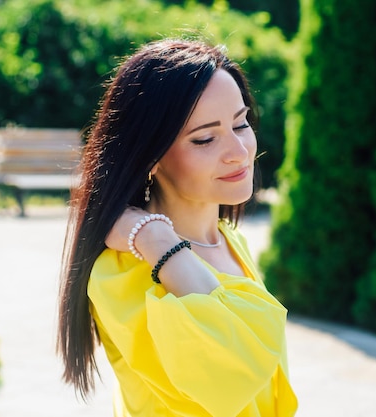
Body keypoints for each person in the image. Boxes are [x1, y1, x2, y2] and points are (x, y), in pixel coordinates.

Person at [56, 38, 298, 417]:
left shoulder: (229, 240)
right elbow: (233, 372)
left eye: (241, 122)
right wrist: (155, 238)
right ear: (149, 155)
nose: (239, 150)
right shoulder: (121, 272)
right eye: (205, 138)